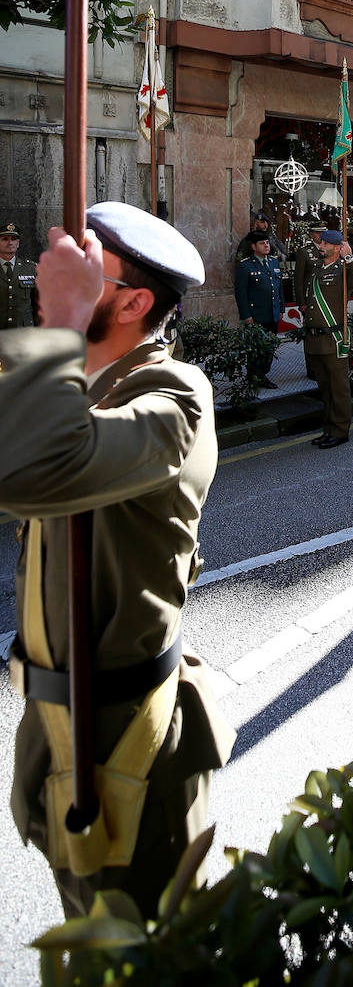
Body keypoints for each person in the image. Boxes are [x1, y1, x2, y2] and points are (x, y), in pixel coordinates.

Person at [0, 202, 235, 919]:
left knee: (143, 951)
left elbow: (26, 471)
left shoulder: (174, 396)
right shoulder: (84, 386)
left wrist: (61, 323)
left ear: (133, 301)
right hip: (59, 723)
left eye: (86, 267)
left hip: (126, 740)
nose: (56, 269)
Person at [295, 228, 353, 447]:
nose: (321, 246)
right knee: (325, 390)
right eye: (321, 243)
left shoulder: (343, 270)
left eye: (326, 244)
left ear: (337, 247)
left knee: (338, 389)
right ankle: (328, 429)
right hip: (315, 339)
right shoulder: (317, 267)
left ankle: (340, 431)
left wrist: (351, 258)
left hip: (333, 340)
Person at [234, 230, 284, 387]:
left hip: (273, 313)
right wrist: (246, 315)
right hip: (256, 315)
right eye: (262, 243)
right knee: (256, 349)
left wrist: (281, 308)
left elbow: (279, 287)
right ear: (254, 246)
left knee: (270, 348)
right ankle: (254, 377)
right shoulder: (245, 266)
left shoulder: (274, 262)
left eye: (267, 242)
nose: (266, 245)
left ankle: (262, 375)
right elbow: (240, 294)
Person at [0, 221, 38, 328]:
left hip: (23, 332)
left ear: (18, 243)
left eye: (13, 239)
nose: (10, 242)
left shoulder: (31, 269)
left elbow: (38, 305)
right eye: (4, 239)